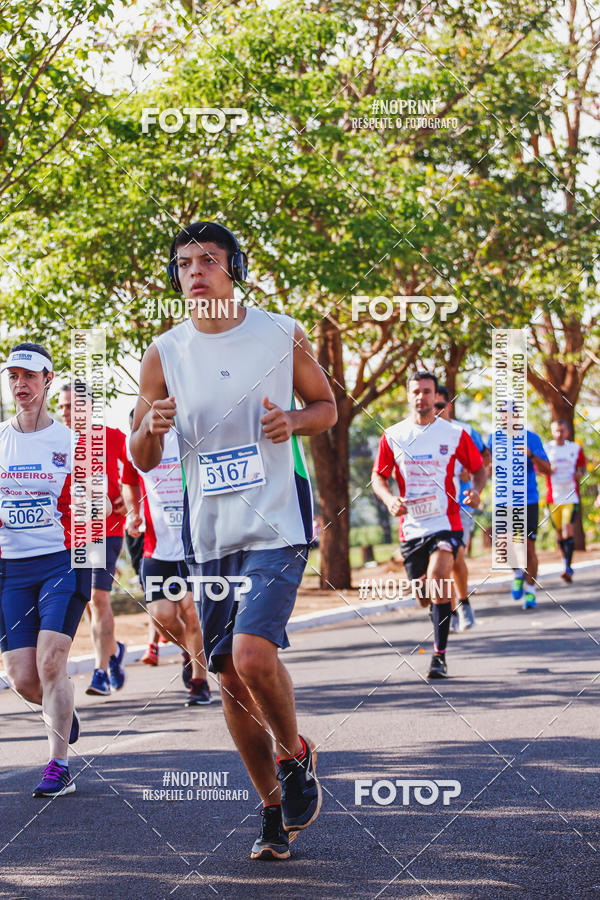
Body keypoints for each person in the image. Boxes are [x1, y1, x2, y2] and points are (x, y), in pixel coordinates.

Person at [130, 221, 337, 860]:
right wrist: (151, 427)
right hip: (209, 535)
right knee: (226, 676)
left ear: (234, 269)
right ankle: (272, 809)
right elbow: (141, 455)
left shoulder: (279, 332)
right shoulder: (165, 352)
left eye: (208, 260)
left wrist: (292, 420)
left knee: (250, 655)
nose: (195, 271)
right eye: (183, 263)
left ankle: (294, 756)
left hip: (276, 524)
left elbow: (326, 407)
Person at [0, 343, 111, 796]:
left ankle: (58, 766)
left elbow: (101, 506)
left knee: (50, 661)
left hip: (61, 562)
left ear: (48, 380)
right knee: (24, 679)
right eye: (13, 376)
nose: (20, 384)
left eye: (30, 376)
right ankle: (63, 711)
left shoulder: (72, 443)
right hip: (10, 570)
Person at [372, 371, 485, 679]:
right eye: (416, 391)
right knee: (423, 596)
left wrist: (476, 491)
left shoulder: (454, 434)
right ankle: (437, 609)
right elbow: (378, 476)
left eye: (427, 391)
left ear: (436, 397)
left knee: (438, 579)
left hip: (446, 522)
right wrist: (389, 499)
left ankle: (439, 656)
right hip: (411, 527)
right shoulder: (394, 435)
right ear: (408, 396)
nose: (421, 396)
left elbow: (478, 468)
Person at [122, 425, 211, 705]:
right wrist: (134, 512)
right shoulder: (137, 442)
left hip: (193, 545)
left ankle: (199, 682)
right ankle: (191, 652)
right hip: (156, 547)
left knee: (192, 612)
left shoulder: (192, 433)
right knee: (162, 618)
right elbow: (129, 481)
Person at [58, 384, 136, 695]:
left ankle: (100, 672)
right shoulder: (56, 443)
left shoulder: (114, 438)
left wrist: (130, 504)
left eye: (71, 406)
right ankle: (114, 649)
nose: (65, 412)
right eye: (61, 406)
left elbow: (137, 474)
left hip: (107, 530)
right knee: (88, 599)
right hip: (72, 534)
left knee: (98, 596)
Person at [434, 386, 490, 631]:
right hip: (432, 509)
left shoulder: (464, 430)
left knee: (455, 557)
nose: (435, 411)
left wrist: (472, 472)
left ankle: (463, 601)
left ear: (449, 406)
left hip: (460, 504)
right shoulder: (419, 433)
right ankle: (449, 610)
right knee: (439, 562)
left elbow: (485, 457)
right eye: (431, 406)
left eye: (439, 406)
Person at [487, 409, 551, 609]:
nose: (505, 417)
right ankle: (517, 573)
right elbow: (485, 468)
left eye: (509, 413)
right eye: (501, 413)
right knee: (502, 545)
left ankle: (530, 591)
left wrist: (531, 455)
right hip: (502, 501)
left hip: (527, 501)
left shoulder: (532, 438)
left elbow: (547, 469)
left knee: (528, 547)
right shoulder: (493, 439)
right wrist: (488, 469)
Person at [543, 418, 586, 582]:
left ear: (567, 432)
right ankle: (564, 561)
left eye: (562, 431)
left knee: (568, 529)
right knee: (559, 533)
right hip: (553, 497)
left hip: (570, 495)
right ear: (552, 432)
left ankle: (568, 567)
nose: (559, 434)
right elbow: (538, 468)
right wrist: (548, 470)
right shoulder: (547, 448)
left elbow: (582, 467)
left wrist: (580, 473)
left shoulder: (574, 448)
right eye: (556, 431)